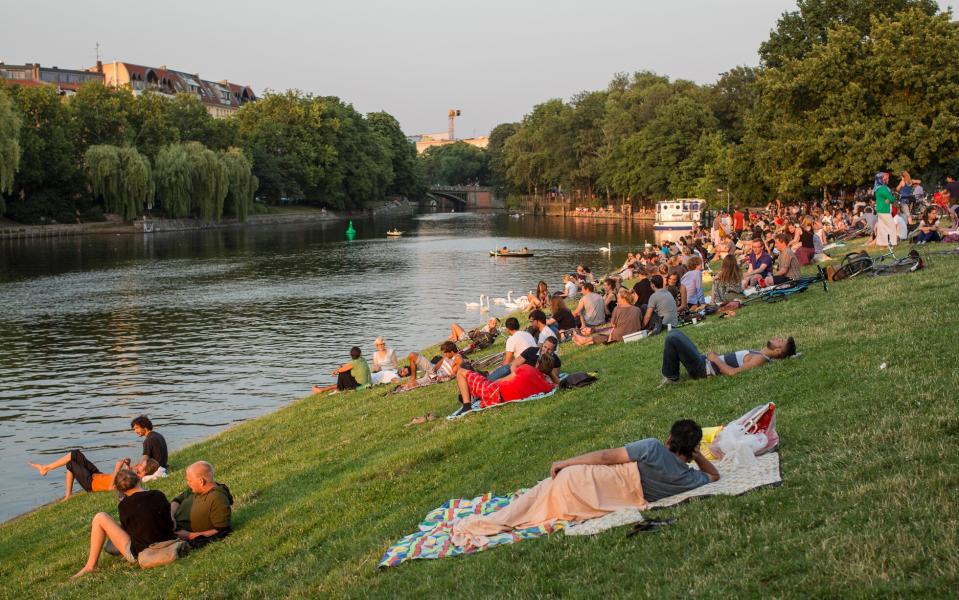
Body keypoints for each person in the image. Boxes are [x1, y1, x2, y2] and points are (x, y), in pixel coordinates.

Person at [449, 420, 718, 547]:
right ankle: (493, 523)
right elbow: (714, 476)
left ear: (669, 438)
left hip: (587, 479)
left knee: (529, 503)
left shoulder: (652, 447)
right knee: (533, 509)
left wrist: (566, 462)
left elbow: (604, 457)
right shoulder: (688, 480)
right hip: (600, 497)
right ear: (692, 449)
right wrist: (697, 456)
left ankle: (483, 523)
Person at [70, 468, 176, 579]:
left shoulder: (124, 505)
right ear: (139, 479)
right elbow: (170, 523)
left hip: (142, 552)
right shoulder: (158, 494)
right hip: (168, 541)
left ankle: (90, 566)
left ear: (120, 490)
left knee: (100, 517)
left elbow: (130, 532)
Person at [659, 329, 796, 386]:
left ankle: (671, 377)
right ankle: (672, 374)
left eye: (781, 341)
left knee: (673, 337)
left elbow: (732, 373)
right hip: (704, 361)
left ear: (777, 351)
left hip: (703, 369)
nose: (778, 338)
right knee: (675, 332)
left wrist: (715, 359)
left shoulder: (760, 359)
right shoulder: (760, 353)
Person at [449, 353, 556, 419]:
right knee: (474, 381)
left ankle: (467, 406)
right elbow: (557, 383)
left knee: (461, 371)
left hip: (493, 391)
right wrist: (550, 374)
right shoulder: (546, 386)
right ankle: (471, 394)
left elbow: (505, 379)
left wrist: (489, 383)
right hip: (501, 398)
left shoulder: (527, 367)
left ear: (537, 363)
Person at [29, 451, 160, 501]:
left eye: (140, 467)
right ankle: (67, 494)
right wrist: (127, 465)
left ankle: (46, 468)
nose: (138, 466)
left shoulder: (134, 482)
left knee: (72, 458)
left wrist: (117, 468)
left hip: (91, 484)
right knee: (75, 455)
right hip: (97, 475)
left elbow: (111, 487)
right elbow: (124, 477)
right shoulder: (133, 476)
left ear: (144, 473)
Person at [171, 461, 233, 548]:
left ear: (201, 481)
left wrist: (191, 535)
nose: (188, 483)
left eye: (190, 480)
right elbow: (177, 500)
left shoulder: (217, 499)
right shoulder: (195, 489)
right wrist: (171, 515)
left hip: (177, 534)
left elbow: (222, 530)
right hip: (170, 524)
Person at [572, 288, 643, 345]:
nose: (617, 300)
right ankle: (586, 341)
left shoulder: (617, 309)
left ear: (623, 299)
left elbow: (613, 324)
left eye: (618, 298)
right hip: (635, 333)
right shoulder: (637, 309)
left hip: (621, 335)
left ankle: (585, 339)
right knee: (608, 334)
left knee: (607, 335)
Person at [872, 171, 898, 248]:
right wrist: (891, 198)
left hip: (880, 210)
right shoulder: (883, 188)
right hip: (884, 210)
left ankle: (883, 244)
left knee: (882, 228)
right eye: (886, 178)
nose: (887, 179)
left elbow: (888, 199)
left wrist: (888, 199)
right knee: (892, 226)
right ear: (880, 179)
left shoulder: (877, 188)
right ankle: (893, 243)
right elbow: (891, 198)